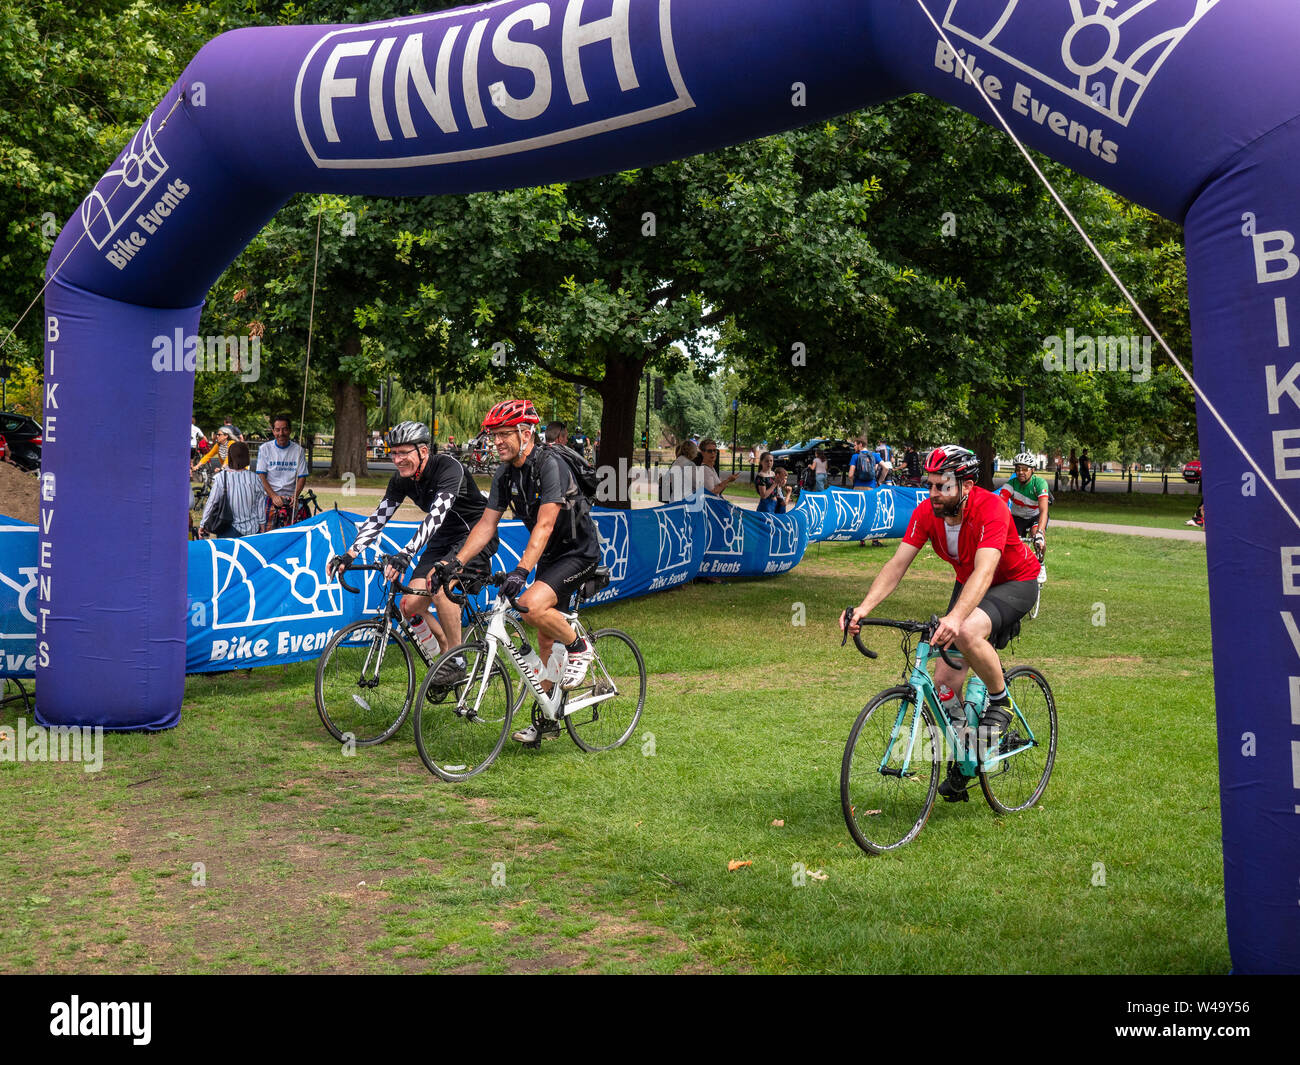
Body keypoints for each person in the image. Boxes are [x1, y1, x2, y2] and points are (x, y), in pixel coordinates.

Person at [843, 445, 1041, 802]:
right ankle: (965, 760)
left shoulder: (991, 508)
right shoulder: (926, 512)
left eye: (941, 486)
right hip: (972, 582)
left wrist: (955, 617)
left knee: (965, 630)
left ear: (965, 486)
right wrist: (863, 608)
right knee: (945, 683)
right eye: (930, 484)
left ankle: (1001, 702)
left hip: (1013, 580)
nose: (932, 493)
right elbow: (897, 565)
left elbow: (985, 571)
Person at [445, 399, 602, 744]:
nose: (496, 442)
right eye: (493, 435)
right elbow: (486, 524)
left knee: (530, 606)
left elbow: (545, 525)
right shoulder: (504, 472)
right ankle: (549, 715)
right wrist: (457, 564)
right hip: (549, 557)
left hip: (579, 551)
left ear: (525, 432)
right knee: (545, 637)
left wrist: (520, 571)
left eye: (503, 434)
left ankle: (579, 647)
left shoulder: (550, 465)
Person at [326, 421, 497, 674]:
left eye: (404, 453)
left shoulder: (448, 468)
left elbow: (436, 515)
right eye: (393, 453)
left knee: (439, 585)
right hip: (443, 538)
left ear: (423, 451)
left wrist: (405, 554)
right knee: (409, 606)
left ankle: (457, 658)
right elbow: (379, 518)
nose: (397, 459)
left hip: (475, 533)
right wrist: (351, 554)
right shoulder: (402, 479)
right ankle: (444, 651)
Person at [199, 441, 266, 538]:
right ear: (247, 457)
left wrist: (203, 523)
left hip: (227, 528)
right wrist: (262, 524)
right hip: (252, 529)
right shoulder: (255, 478)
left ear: (229, 456)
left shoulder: (221, 477)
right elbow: (259, 504)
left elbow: (212, 502)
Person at [257, 413, 309, 526]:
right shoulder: (265, 449)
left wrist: (295, 497)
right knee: (268, 535)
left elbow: (302, 477)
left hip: (291, 499)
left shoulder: (298, 450)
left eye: (284, 430)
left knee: (292, 535)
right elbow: (261, 476)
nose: (281, 433)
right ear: (273, 431)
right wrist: (273, 496)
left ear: (290, 431)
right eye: (277, 430)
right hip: (270, 498)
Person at [998, 452, 1051, 544]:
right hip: (1017, 517)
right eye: (1018, 469)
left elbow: (1044, 511)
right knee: (1013, 543)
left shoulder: (1039, 483)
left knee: (1037, 538)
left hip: (1036, 516)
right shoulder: (1010, 485)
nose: (1021, 472)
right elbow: (1000, 507)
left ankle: (1040, 557)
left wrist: (1040, 533)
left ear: (1033, 470)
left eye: (1025, 469)